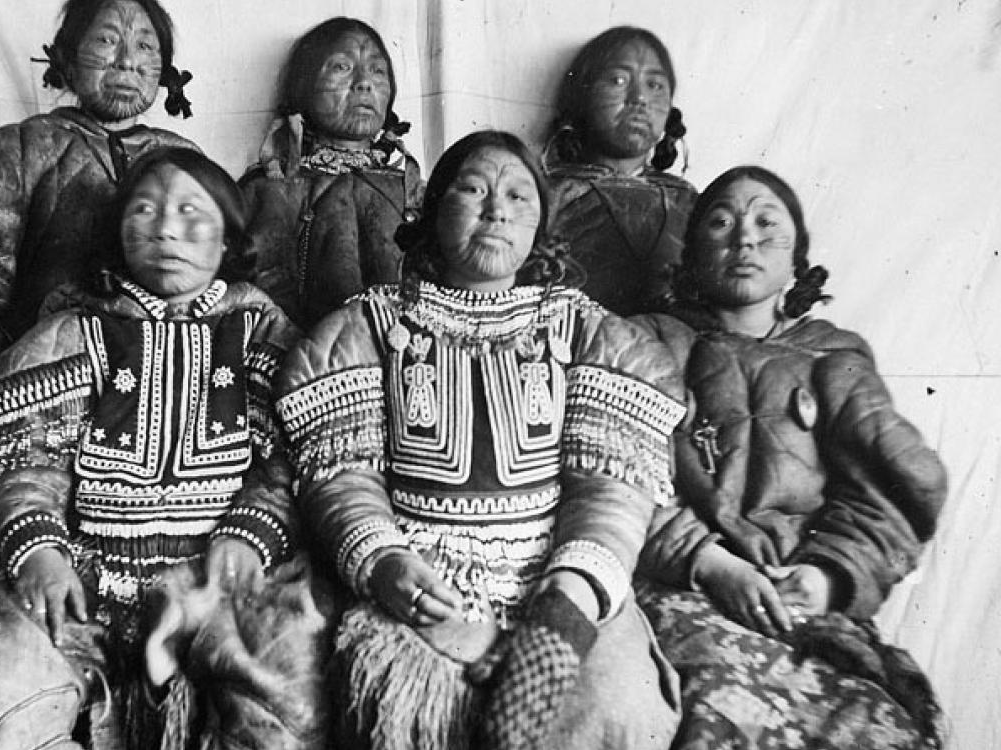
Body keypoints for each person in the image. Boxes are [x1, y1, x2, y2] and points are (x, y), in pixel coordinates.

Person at [276, 130, 687, 750]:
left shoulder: (586, 330)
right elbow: (343, 475)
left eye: (520, 197)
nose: (497, 208)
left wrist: (569, 599)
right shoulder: (369, 326)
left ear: (541, 226)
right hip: (419, 575)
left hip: (559, 576)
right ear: (432, 211)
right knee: (400, 710)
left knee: (614, 708)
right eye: (473, 189)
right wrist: (385, 562)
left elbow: (611, 488)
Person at [0, 147, 301, 750]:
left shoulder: (262, 333)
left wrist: (251, 532)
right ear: (119, 234)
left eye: (191, 211)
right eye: (144, 210)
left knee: (289, 703)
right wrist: (39, 550)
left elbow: (286, 461)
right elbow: (26, 468)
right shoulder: (69, 335)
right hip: (85, 580)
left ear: (227, 238)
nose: (166, 228)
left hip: (222, 584)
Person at [0, 0, 199, 660]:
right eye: (107, 42)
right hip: (33, 410)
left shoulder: (186, 161)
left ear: (166, 73)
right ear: (65, 58)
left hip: (153, 409)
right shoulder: (17, 151)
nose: (128, 61)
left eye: (146, 50)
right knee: (19, 604)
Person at [633, 166, 947, 749]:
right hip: (689, 591)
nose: (744, 238)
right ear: (692, 257)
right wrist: (710, 563)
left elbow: (888, 494)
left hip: (805, 605)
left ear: (796, 257)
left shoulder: (833, 356)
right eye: (721, 223)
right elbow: (621, 473)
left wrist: (829, 577)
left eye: (765, 223)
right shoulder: (648, 342)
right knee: (717, 718)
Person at [238, 16, 423, 331]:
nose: (364, 82)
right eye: (342, 67)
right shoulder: (272, 186)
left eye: (378, 71)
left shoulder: (412, 190)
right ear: (304, 87)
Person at [544, 26, 697, 316]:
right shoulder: (544, 194)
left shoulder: (689, 202)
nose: (639, 98)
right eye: (618, 80)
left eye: (655, 85)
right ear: (582, 97)